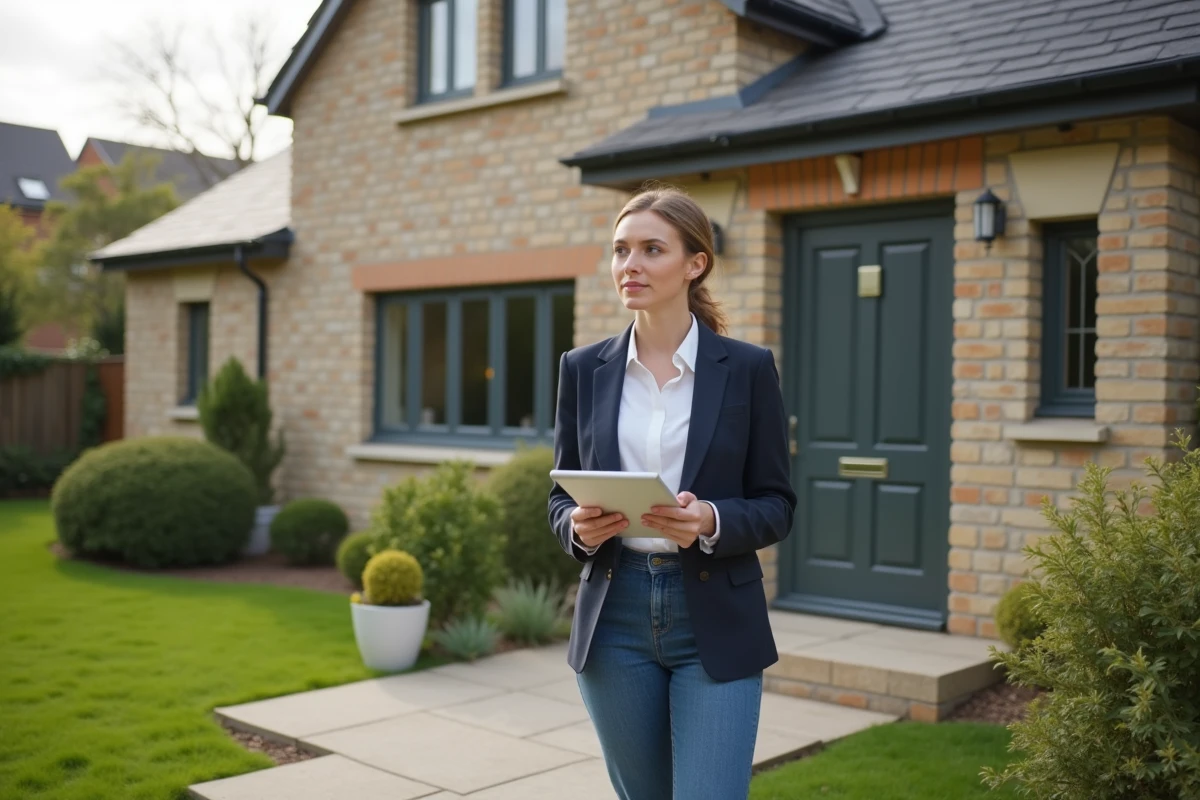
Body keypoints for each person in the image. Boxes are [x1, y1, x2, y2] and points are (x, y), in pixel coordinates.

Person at [548, 186, 798, 800]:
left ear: (695, 263)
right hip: (616, 617)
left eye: (651, 249)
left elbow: (777, 503)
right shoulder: (583, 369)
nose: (629, 265)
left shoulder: (745, 368)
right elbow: (559, 495)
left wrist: (711, 520)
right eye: (620, 250)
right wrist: (576, 528)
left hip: (713, 615)